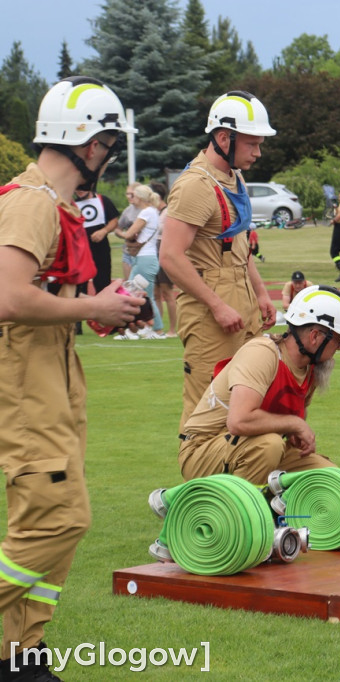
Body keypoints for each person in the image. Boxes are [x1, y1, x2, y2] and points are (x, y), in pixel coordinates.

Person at [0, 76, 142, 680]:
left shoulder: (53, 205)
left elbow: (45, 297)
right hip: (26, 383)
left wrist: (101, 309)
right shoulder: (32, 203)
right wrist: (92, 305)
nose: (107, 157)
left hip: (54, 375)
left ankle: (21, 656)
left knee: (52, 523)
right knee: (60, 518)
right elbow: (7, 296)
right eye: (108, 144)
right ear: (91, 144)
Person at [160, 91, 278, 430]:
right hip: (209, 305)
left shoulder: (234, 177)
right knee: (207, 407)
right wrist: (217, 305)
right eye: (252, 144)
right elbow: (170, 256)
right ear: (224, 138)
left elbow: (238, 245)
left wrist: (260, 293)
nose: (258, 152)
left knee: (248, 400)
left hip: (241, 297)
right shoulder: (196, 185)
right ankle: (197, 468)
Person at [178, 285, 340, 485]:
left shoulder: (310, 370)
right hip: (202, 451)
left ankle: (274, 500)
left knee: (331, 477)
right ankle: (231, 503)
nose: (339, 348)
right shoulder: (262, 353)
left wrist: (293, 432)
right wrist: (295, 424)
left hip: (250, 447)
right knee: (269, 445)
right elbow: (239, 421)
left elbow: (283, 424)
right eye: (339, 340)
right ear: (315, 336)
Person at [117, 184, 166, 338]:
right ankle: (151, 329)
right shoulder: (152, 211)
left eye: (134, 195)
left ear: (140, 197)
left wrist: (118, 231)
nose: (132, 198)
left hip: (145, 258)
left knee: (137, 294)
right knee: (139, 294)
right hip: (146, 258)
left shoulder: (146, 212)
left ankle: (154, 329)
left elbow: (128, 234)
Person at [73, 187, 120, 298]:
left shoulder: (103, 200)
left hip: (100, 248)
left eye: (83, 187)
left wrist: (104, 231)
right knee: (80, 284)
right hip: (80, 250)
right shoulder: (72, 204)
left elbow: (114, 221)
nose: (80, 190)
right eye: (77, 188)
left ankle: (104, 305)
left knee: (102, 282)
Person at [150, 181, 178, 338]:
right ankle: (157, 328)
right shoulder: (152, 211)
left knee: (167, 291)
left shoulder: (167, 212)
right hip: (152, 250)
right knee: (155, 293)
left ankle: (173, 329)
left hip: (163, 248)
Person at [115, 182, 142, 279]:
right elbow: (117, 229)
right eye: (127, 194)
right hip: (128, 252)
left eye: (132, 194)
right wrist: (125, 235)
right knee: (129, 284)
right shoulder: (127, 210)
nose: (129, 196)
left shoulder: (148, 210)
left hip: (143, 253)